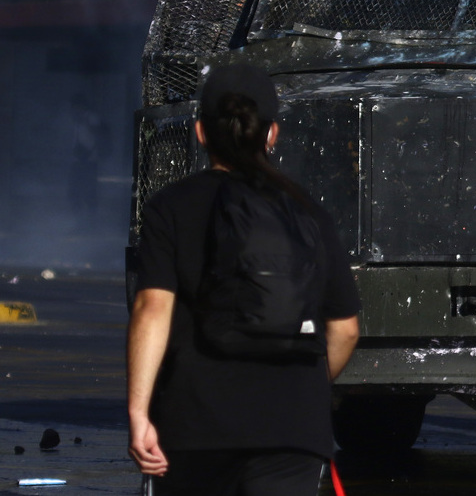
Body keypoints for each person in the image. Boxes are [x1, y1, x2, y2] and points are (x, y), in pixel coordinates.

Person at [127, 63, 361, 496]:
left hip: (195, 424)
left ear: (200, 132)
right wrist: (304, 390)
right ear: (272, 134)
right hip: (293, 431)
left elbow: (152, 309)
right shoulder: (309, 212)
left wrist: (139, 413)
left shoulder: (170, 207)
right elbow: (345, 330)